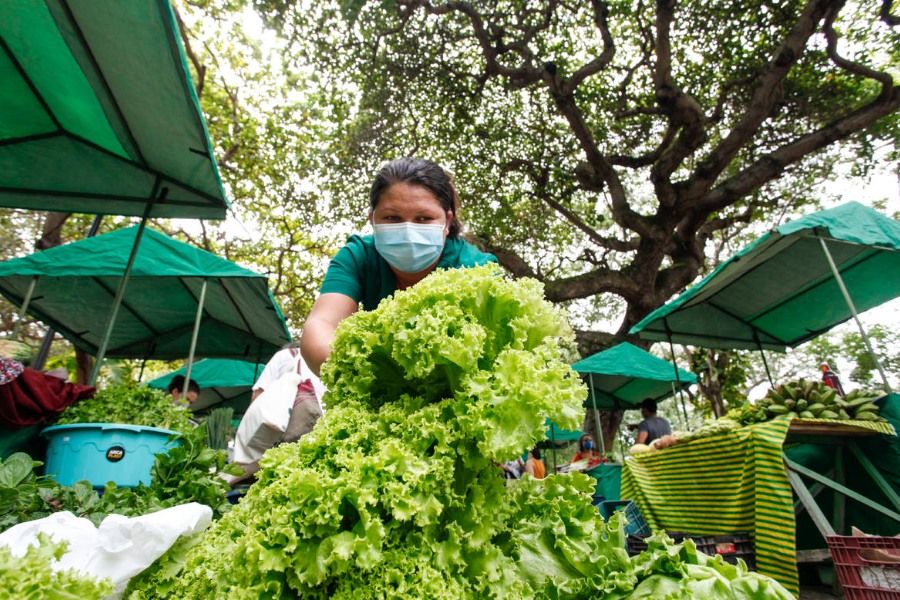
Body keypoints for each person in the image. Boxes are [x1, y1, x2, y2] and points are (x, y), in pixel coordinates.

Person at [300, 157, 497, 375]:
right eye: (392, 217)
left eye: (424, 218)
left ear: (447, 222)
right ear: (372, 220)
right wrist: (366, 377)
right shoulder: (359, 256)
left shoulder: (475, 267)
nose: (408, 230)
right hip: (377, 385)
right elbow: (321, 326)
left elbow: (493, 351)